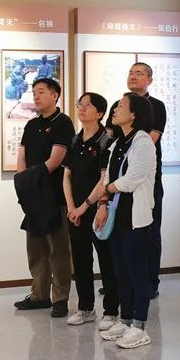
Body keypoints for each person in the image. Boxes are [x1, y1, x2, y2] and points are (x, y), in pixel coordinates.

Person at [89, 93, 158, 349]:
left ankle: (140, 326)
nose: (115, 109)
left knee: (137, 273)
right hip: (117, 216)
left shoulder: (143, 143)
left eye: (121, 106)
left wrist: (106, 189)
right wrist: (102, 203)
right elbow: (108, 177)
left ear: (134, 114)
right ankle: (126, 320)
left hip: (135, 218)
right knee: (121, 272)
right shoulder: (118, 142)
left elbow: (131, 181)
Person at [13, 78, 75, 317]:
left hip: (54, 194)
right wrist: (23, 182)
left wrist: (30, 179)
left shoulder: (63, 123)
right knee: (35, 248)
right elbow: (22, 156)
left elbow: (55, 160)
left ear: (55, 95)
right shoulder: (31, 125)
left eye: (41, 92)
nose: (36, 96)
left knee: (58, 250)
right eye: (34, 92)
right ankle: (39, 295)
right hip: (33, 195)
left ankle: (60, 299)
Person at [108, 64, 167, 297]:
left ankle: (149, 282)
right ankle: (123, 281)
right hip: (118, 179)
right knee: (119, 233)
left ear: (150, 80)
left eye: (139, 73)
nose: (133, 76)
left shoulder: (156, 106)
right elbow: (110, 139)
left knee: (148, 230)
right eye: (130, 72)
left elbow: (151, 140)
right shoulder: (118, 105)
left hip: (144, 180)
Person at [62, 92, 117, 328]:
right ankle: (85, 308)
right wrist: (71, 207)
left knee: (106, 259)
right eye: (79, 105)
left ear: (100, 113)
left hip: (97, 208)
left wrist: (84, 206)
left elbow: (104, 179)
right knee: (81, 259)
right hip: (75, 211)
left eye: (87, 105)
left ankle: (111, 311)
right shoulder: (75, 140)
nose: (81, 109)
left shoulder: (107, 141)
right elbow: (67, 175)